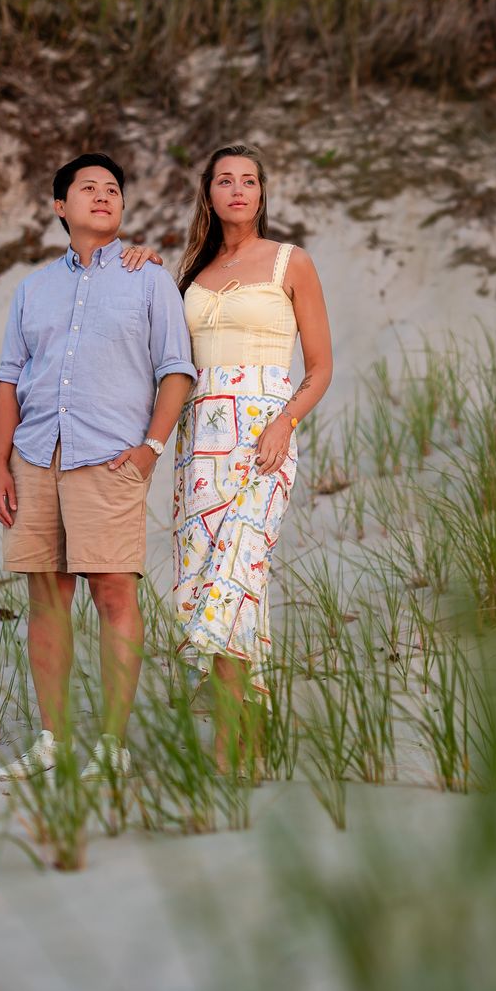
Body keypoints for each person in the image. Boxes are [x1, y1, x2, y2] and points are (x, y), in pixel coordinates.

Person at [0, 153, 195, 781]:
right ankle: (53, 741)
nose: (103, 196)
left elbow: (177, 370)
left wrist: (150, 450)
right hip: (36, 457)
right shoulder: (33, 289)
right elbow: (9, 379)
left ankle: (112, 743)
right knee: (47, 599)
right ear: (60, 206)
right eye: (88, 188)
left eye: (113, 189)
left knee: (113, 593)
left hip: (109, 458)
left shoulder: (147, 277)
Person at [169, 143, 333, 776]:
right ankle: (247, 746)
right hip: (197, 449)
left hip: (262, 439)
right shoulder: (193, 270)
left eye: (249, 180)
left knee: (237, 579)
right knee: (219, 587)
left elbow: (320, 368)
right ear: (208, 193)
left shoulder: (291, 262)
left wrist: (284, 424)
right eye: (224, 180)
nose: (237, 190)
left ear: (263, 193)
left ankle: (229, 749)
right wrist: (139, 264)